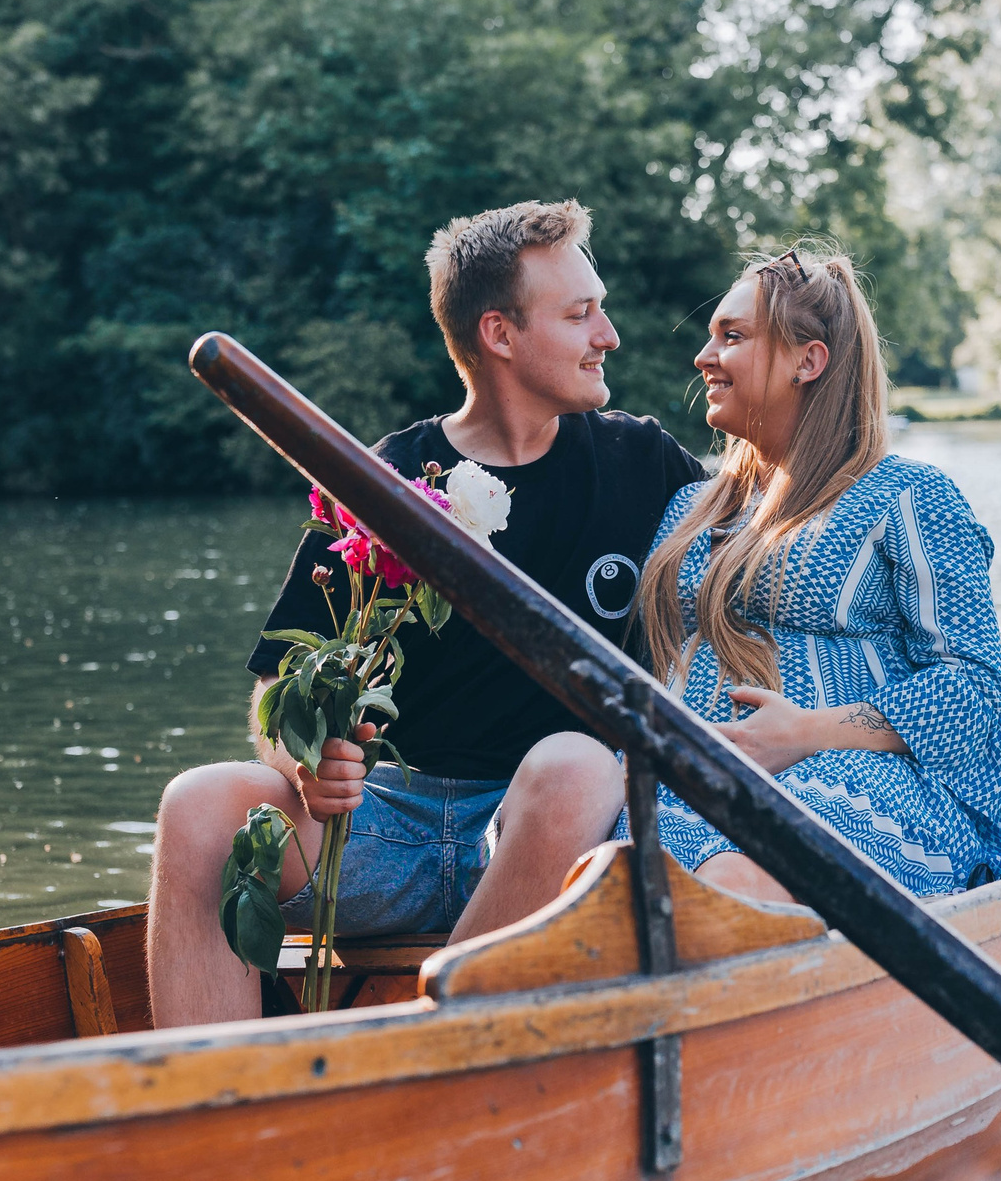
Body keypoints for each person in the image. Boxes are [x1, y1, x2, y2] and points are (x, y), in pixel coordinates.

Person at [147, 199, 705, 1026]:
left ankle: (427, 1049)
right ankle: (219, 1098)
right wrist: (306, 759)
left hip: (545, 836)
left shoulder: (644, 461)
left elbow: (765, 545)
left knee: (578, 765)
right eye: (580, 313)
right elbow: (277, 681)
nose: (609, 335)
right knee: (197, 804)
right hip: (382, 826)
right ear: (499, 334)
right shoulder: (390, 475)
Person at [626, 246, 1001, 903]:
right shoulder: (691, 506)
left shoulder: (908, 497)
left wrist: (807, 732)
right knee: (583, 818)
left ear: (808, 361)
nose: (703, 357)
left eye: (732, 336)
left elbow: (972, 694)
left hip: (858, 788)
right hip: (687, 780)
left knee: (734, 875)